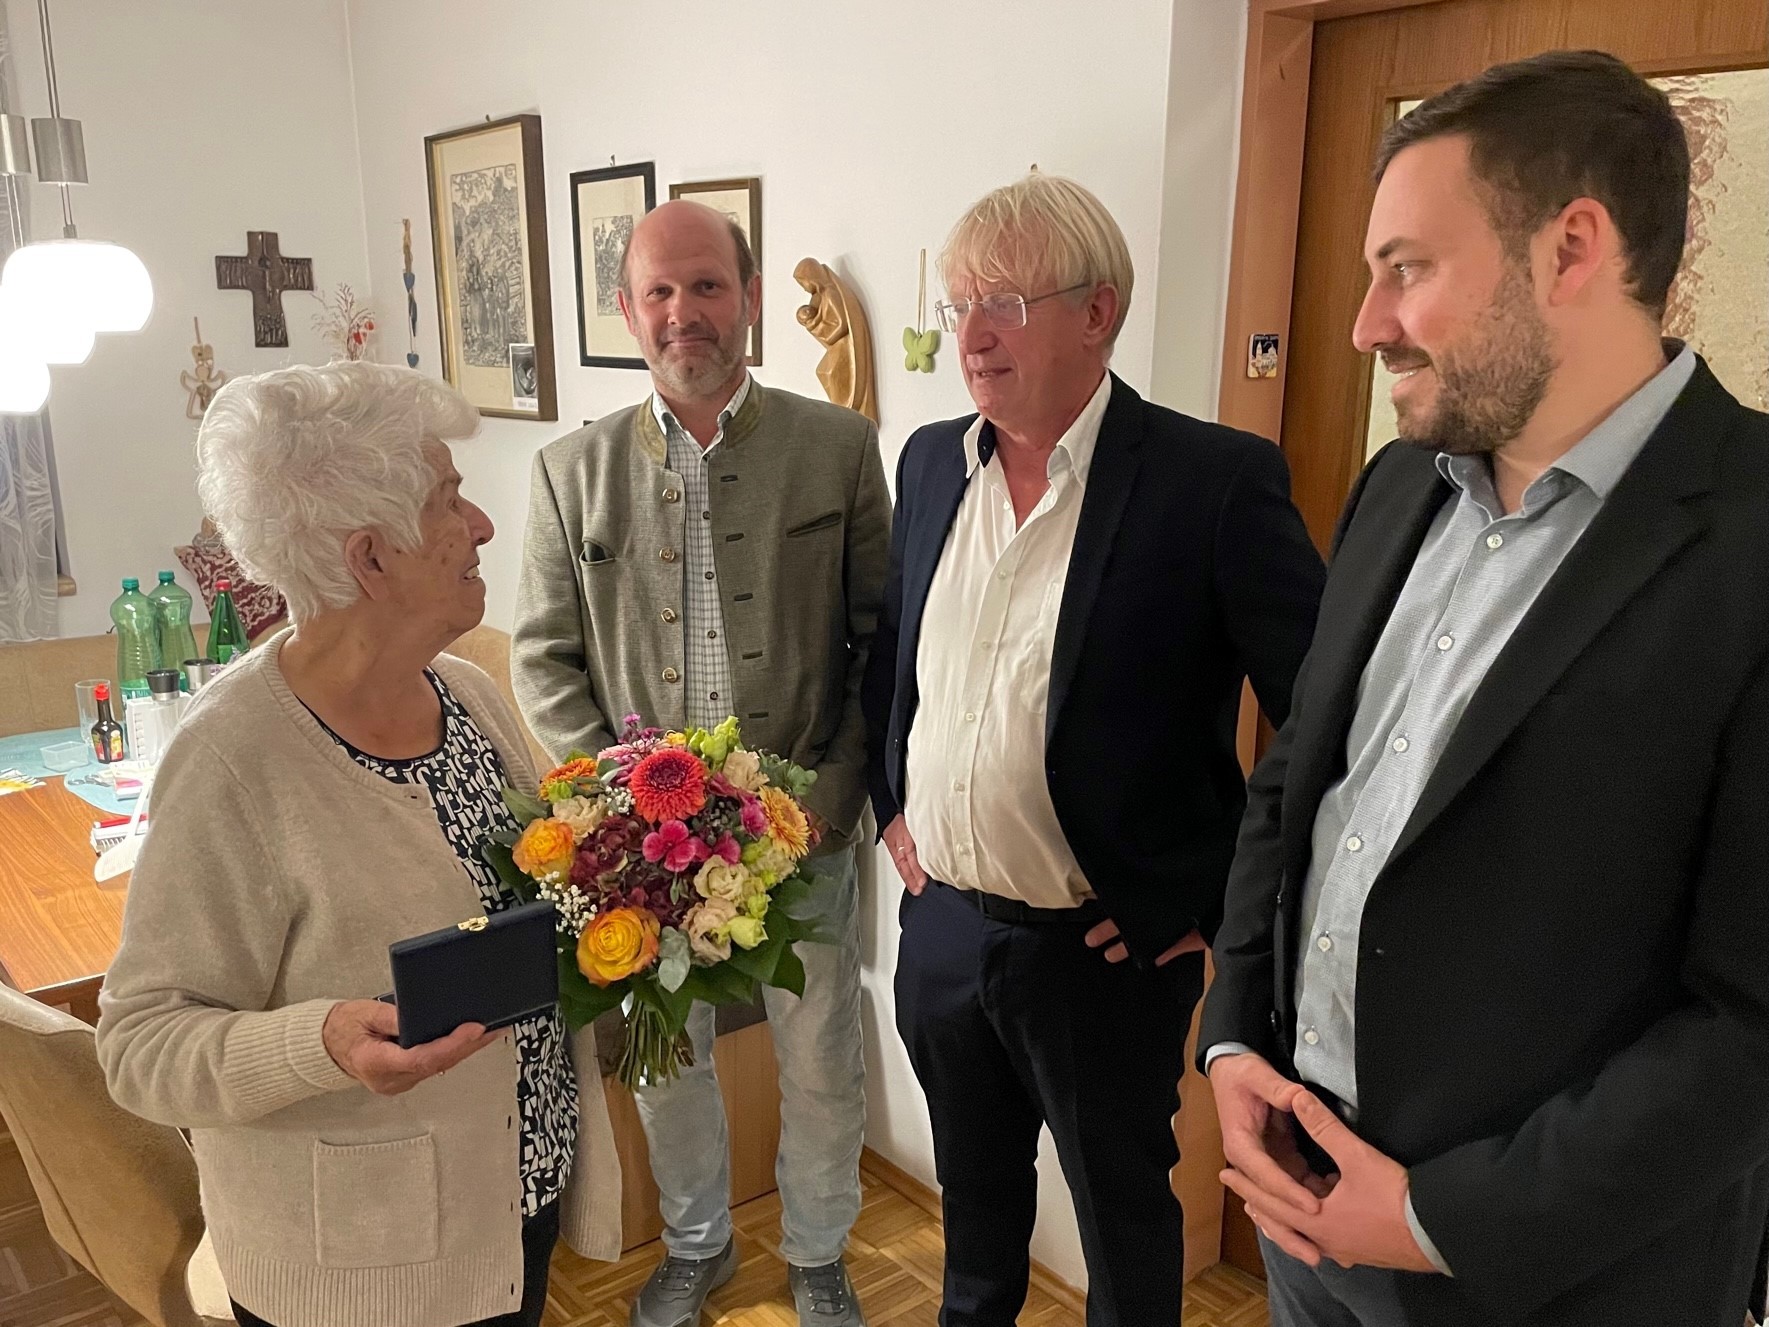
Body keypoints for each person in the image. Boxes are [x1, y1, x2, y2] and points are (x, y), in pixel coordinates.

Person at [1201, 50, 1769, 1327]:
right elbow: (1298, 776)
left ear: (1570, 249)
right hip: (1302, 1203)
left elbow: (1748, 1021)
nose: (1365, 324)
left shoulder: (1747, 537)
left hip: (1555, 1277)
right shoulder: (1398, 482)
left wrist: (1433, 1220)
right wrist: (1233, 1032)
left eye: (1405, 268)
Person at [862, 172, 1324, 1326]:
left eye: (1004, 304)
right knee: (973, 1217)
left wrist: (1205, 894)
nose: (971, 336)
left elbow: (1324, 723)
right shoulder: (929, 463)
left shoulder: (1209, 483)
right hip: (944, 930)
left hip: (1101, 951)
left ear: (1096, 312)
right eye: (959, 303)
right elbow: (893, 655)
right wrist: (890, 805)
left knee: (1121, 1217)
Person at [95, 363, 623, 1327]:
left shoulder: (467, 694)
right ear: (371, 558)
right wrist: (322, 1041)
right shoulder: (231, 760)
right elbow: (140, 1045)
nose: (482, 525)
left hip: (510, 1209)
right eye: (449, 498)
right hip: (364, 1269)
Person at [512, 199, 890, 1327]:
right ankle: (697, 1242)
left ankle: (818, 1249)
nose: (685, 311)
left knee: (818, 1052)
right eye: (660, 291)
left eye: (708, 286)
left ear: (750, 298)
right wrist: (622, 815)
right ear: (628, 311)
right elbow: (542, 658)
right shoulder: (568, 472)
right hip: (646, 854)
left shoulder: (837, 448)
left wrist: (831, 799)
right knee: (663, 1055)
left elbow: (880, 643)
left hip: (806, 829)